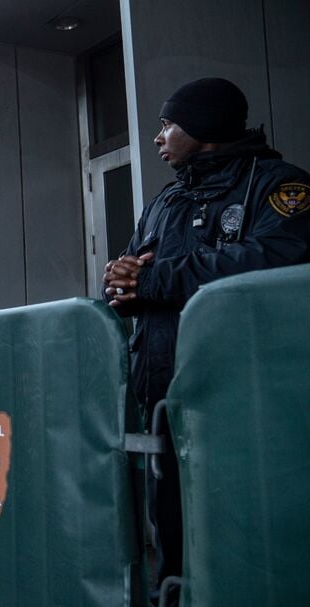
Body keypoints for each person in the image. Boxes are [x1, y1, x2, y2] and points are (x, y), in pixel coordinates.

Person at [103, 77, 310, 595]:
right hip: (166, 404)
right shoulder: (164, 201)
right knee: (173, 535)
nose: (158, 138)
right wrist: (119, 282)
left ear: (204, 125)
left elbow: (275, 258)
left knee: (249, 538)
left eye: (167, 124)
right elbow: (133, 273)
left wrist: (152, 280)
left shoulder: (279, 186)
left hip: (248, 407)